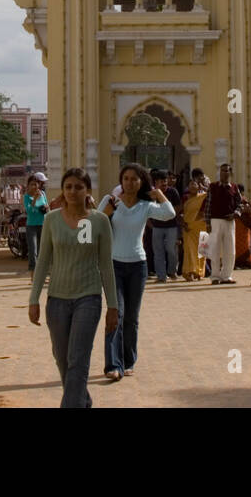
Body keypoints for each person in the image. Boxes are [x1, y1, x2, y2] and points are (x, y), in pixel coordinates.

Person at [29, 168, 119, 407]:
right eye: (68, 186)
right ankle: (83, 400)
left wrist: (113, 305)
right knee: (63, 359)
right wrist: (33, 299)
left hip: (88, 298)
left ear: (87, 191)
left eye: (78, 187)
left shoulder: (98, 221)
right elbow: (43, 261)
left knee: (78, 359)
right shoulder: (51, 220)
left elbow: (106, 265)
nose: (72, 191)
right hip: (57, 299)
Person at [100, 163, 175, 380]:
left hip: (137, 267)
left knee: (132, 317)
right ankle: (112, 365)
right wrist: (104, 214)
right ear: (120, 181)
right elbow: (92, 227)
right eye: (126, 179)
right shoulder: (111, 202)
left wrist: (159, 194)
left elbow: (169, 213)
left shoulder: (146, 206)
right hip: (114, 265)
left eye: (134, 179)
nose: (130, 183)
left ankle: (128, 360)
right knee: (116, 313)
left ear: (142, 182)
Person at [207, 163, 243, 284]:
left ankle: (226, 276)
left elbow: (240, 204)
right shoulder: (212, 186)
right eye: (222, 171)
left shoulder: (234, 187)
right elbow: (208, 204)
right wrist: (208, 223)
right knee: (215, 249)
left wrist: (236, 213)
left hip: (230, 221)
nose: (224, 173)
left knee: (230, 250)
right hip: (215, 221)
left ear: (230, 173)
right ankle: (215, 276)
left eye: (226, 171)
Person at [151, 172, 182, 283]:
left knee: (171, 250)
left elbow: (179, 207)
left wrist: (170, 215)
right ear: (156, 183)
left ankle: (172, 271)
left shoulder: (172, 191)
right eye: (161, 181)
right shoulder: (152, 194)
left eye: (165, 181)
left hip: (171, 226)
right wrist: (151, 224)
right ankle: (161, 276)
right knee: (158, 251)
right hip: (157, 227)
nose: (164, 183)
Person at [182, 171, 208, 281]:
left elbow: (213, 194)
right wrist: (183, 224)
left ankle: (199, 272)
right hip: (189, 227)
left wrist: (204, 187)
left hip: (202, 226)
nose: (193, 186)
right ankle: (190, 272)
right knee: (190, 251)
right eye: (191, 184)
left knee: (202, 251)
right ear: (187, 187)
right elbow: (179, 213)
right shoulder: (185, 198)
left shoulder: (204, 196)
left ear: (199, 186)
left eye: (195, 184)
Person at [22, 174, 49, 274]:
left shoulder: (42, 193)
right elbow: (29, 211)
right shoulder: (26, 197)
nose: (34, 186)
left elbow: (47, 206)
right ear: (28, 185)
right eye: (32, 184)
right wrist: (34, 199)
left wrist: (46, 208)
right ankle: (33, 275)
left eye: (36, 184)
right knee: (33, 251)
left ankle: (42, 274)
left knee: (42, 250)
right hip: (31, 226)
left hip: (43, 224)